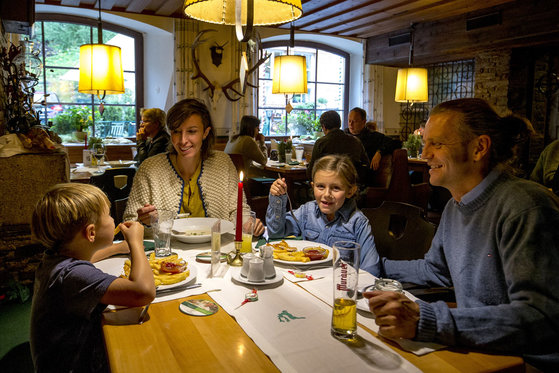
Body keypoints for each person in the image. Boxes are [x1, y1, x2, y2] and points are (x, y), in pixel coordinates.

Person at [364, 98, 559, 371]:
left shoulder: (525, 206)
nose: (425, 153)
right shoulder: (456, 205)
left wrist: (428, 320)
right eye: (426, 143)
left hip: (526, 363)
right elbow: (435, 270)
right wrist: (372, 265)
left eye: (438, 144)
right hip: (477, 350)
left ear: (479, 147)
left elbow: (541, 317)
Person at [30, 183, 155, 373]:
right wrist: (136, 242)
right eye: (109, 215)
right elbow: (143, 291)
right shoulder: (73, 276)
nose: (114, 219)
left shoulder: (56, 258)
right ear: (91, 233)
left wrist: (118, 248)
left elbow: (86, 256)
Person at [124, 98, 264, 236]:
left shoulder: (223, 163)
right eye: (176, 132)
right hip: (165, 255)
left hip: (217, 251)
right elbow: (129, 223)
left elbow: (238, 210)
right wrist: (148, 222)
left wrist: (248, 223)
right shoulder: (149, 168)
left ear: (205, 132)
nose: (183, 141)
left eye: (191, 131)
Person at [267, 154, 380, 275]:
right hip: (307, 280)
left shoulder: (358, 223)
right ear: (312, 186)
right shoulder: (307, 211)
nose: (327, 194)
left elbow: (371, 269)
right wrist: (277, 199)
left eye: (336, 188)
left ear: (350, 191)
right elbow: (276, 231)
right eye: (320, 186)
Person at [307, 110, 369, 185]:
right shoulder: (356, 141)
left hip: (329, 185)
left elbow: (311, 172)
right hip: (351, 185)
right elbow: (366, 164)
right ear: (339, 123)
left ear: (324, 126)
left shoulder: (321, 143)